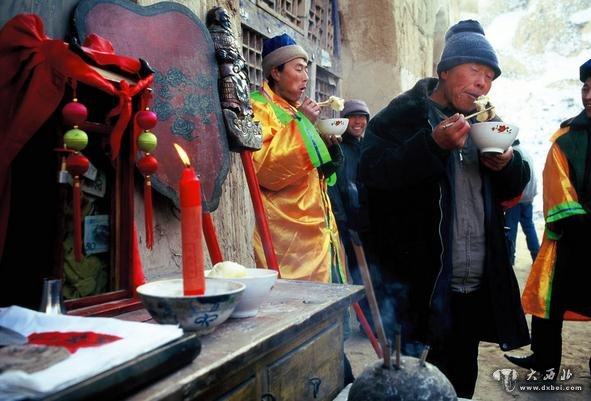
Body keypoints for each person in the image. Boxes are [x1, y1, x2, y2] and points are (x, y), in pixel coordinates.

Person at [357, 20, 531, 398]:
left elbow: (519, 182)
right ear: (444, 71)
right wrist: (432, 146)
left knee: (462, 380)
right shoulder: (402, 116)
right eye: (474, 70)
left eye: (489, 76)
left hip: (472, 284)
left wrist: (509, 165)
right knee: (415, 384)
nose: (483, 83)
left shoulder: (489, 123)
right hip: (419, 287)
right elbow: (373, 176)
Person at [506, 59, 591, 377]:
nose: (589, 95)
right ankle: (544, 357)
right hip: (573, 236)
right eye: (586, 87)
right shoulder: (566, 139)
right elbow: (558, 189)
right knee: (549, 297)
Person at [325, 100, 376, 333]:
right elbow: (333, 188)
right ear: (344, 121)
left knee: (372, 271)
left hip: (369, 221)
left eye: (362, 117)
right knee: (357, 272)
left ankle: (376, 321)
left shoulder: (368, 146)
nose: (358, 122)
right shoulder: (338, 148)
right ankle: (364, 323)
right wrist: (343, 219)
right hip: (348, 221)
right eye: (353, 117)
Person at [504, 142, 540, 266]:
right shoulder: (525, 151)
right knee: (529, 227)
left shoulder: (513, 153)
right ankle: (537, 257)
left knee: (510, 229)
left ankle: (509, 260)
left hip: (517, 199)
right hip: (528, 198)